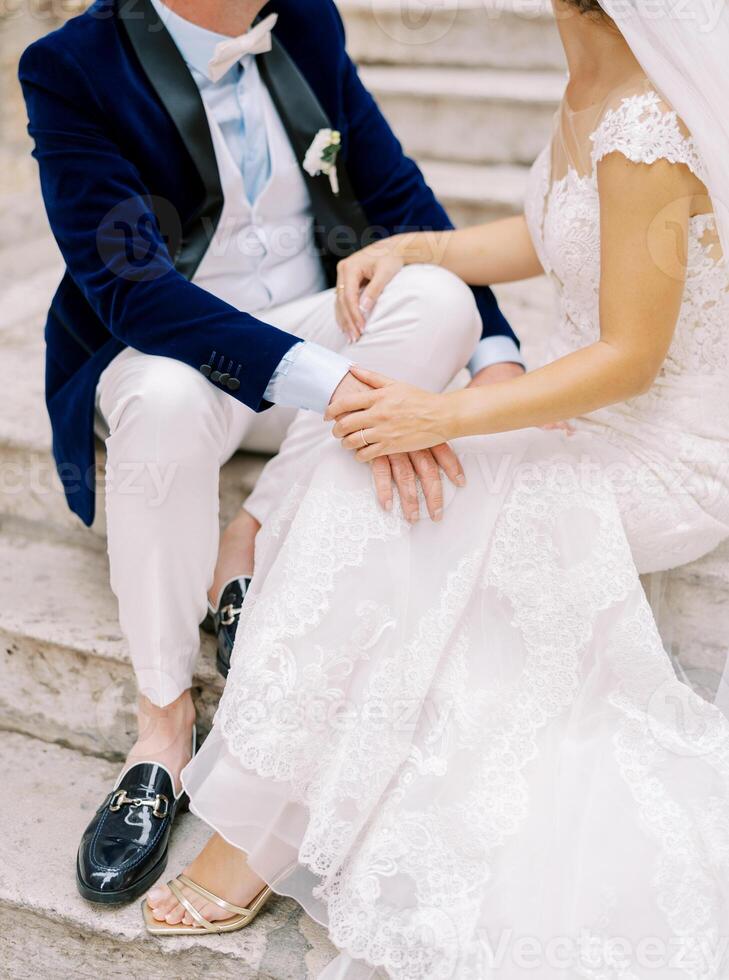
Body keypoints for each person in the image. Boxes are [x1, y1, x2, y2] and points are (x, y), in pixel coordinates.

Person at [147, 0, 729, 977]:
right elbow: (558, 233)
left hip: (667, 456)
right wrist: (421, 249)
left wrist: (446, 413)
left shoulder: (648, 125)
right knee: (370, 473)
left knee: (391, 486)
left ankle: (259, 834)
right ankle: (269, 802)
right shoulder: (593, 73)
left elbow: (630, 356)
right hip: (588, 420)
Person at [18, 0, 524, 904]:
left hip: (306, 327)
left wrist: (495, 356)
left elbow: (395, 193)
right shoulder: (71, 64)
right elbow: (132, 290)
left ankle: (248, 535)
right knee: (167, 403)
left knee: (438, 299)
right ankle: (163, 725)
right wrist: (325, 384)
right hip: (168, 351)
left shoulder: (306, 22)